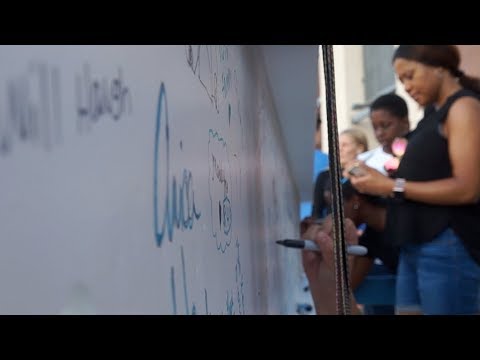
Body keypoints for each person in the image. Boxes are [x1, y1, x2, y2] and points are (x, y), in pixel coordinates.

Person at [348, 45, 480, 315]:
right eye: (401, 80)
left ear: (439, 67)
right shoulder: (432, 115)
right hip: (415, 245)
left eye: (410, 75)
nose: (406, 86)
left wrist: (390, 186)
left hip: (446, 246)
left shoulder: (464, 108)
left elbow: (468, 189)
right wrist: (377, 181)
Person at [311, 128, 368, 220]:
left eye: (345, 145)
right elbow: (316, 212)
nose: (339, 149)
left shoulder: (368, 174)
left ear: (360, 148)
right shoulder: (324, 175)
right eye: (337, 144)